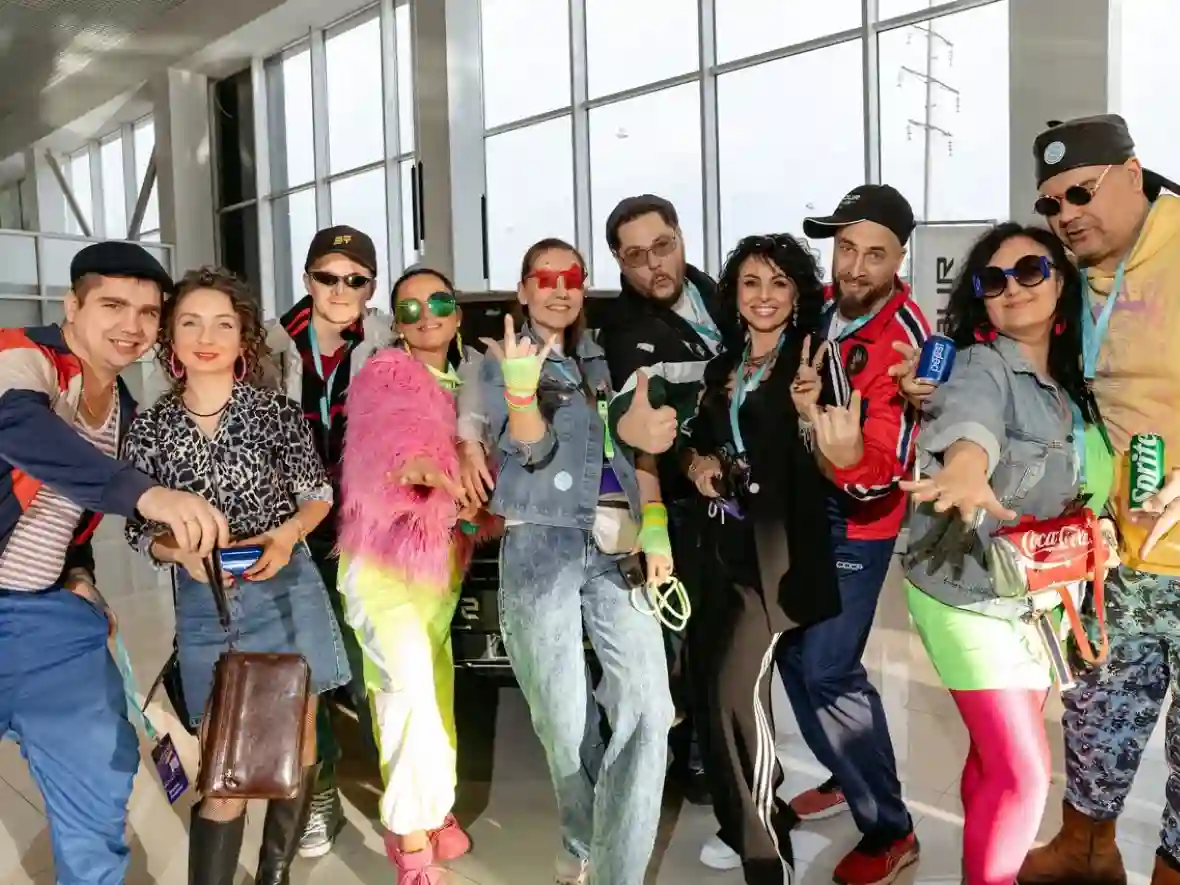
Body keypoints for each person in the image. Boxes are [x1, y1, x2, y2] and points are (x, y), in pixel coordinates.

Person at [0, 242, 229, 885]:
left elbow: (67, 515)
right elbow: (22, 431)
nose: (132, 325)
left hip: (45, 616)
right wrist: (146, 493)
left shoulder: (124, 406)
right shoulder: (22, 356)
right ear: (72, 306)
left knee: (100, 766)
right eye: (112, 305)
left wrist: (78, 576)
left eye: (149, 313)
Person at [122, 267, 351, 885]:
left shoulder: (275, 413)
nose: (207, 337)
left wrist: (286, 534)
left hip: (286, 588)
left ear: (243, 336)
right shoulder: (150, 427)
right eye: (191, 323)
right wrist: (178, 553)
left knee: (297, 741)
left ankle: (274, 873)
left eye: (222, 324)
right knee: (225, 768)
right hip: (209, 602)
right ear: (170, 336)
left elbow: (317, 494)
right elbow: (137, 527)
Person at [899, 223, 1112, 885]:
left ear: (1062, 282)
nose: (1012, 287)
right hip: (964, 591)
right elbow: (971, 421)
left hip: (1036, 599)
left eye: (1030, 271)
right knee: (1023, 772)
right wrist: (966, 465)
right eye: (994, 280)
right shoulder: (980, 365)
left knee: (993, 760)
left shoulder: (1077, 384)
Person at [1008, 116, 1180, 885]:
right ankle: (1086, 849)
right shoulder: (1070, 273)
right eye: (1051, 203)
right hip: (1118, 555)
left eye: (1081, 192)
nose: (1065, 214)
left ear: (1133, 173)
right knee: (1096, 716)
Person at [474, 238, 675, 885]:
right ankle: (580, 836)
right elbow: (531, 452)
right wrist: (522, 393)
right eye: (546, 277)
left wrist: (656, 527)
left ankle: (615, 873)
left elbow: (640, 451)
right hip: (542, 541)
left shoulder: (606, 358)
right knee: (562, 721)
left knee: (649, 709)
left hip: (618, 542)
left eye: (573, 277)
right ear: (524, 289)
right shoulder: (498, 361)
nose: (560, 288)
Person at [776, 185, 929, 885]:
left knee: (829, 669)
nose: (856, 266)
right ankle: (846, 771)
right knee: (792, 652)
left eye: (875, 254)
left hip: (858, 520)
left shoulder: (904, 341)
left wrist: (836, 457)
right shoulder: (823, 309)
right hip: (810, 509)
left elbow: (883, 473)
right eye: (846, 249)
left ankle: (891, 828)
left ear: (901, 258)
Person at [679, 233, 841, 885]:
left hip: (776, 558)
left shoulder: (814, 362)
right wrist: (698, 464)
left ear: (798, 293)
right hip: (718, 549)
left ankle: (765, 858)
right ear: (734, 294)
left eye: (779, 282)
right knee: (711, 692)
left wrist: (809, 414)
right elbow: (696, 439)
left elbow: (836, 456)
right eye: (751, 282)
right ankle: (745, 815)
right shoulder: (725, 366)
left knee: (734, 697)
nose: (764, 295)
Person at [335, 267, 478, 884]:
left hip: (440, 569)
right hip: (383, 566)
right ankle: (411, 841)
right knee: (407, 695)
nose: (426, 316)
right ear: (396, 323)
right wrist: (420, 466)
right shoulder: (386, 373)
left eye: (438, 303)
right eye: (410, 308)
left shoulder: (470, 384)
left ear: (456, 313)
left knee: (434, 695)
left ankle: (435, 806)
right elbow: (386, 441)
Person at [597, 194, 737, 821]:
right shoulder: (624, 330)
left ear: (680, 237)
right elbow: (646, 426)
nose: (653, 264)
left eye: (662, 246)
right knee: (686, 636)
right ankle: (697, 758)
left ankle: (721, 744)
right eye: (635, 256)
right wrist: (689, 464)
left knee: (732, 629)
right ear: (619, 263)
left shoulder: (721, 295)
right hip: (679, 502)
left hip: (744, 492)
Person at [265, 224, 394, 858]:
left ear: (371, 285)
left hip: (364, 528)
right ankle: (320, 789)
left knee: (377, 663)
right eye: (327, 277)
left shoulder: (388, 342)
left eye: (355, 279)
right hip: (291, 526)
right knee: (304, 667)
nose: (341, 290)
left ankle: (407, 793)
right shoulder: (268, 344)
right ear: (307, 279)